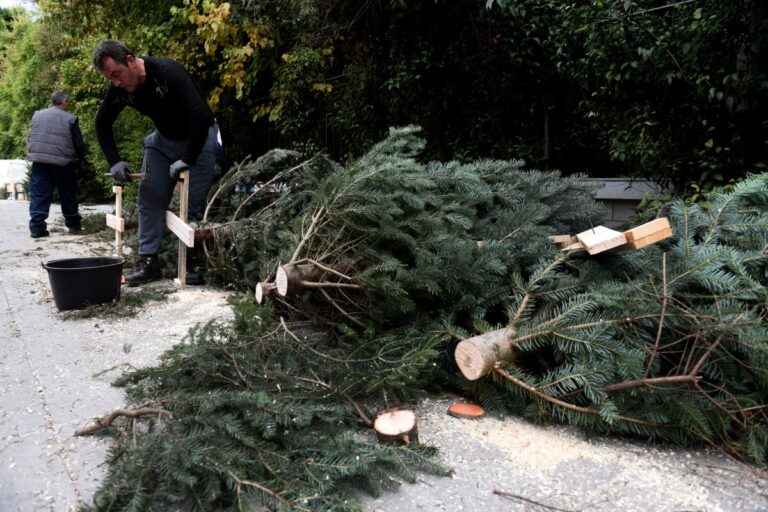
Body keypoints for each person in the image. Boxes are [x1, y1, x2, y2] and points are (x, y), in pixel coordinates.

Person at [92, 39, 223, 286]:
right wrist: (114, 161)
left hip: (200, 137)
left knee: (191, 205)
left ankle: (189, 262)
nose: (117, 83)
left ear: (130, 60)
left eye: (117, 74)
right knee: (149, 197)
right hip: (163, 140)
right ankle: (149, 263)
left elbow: (200, 115)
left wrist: (187, 159)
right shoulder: (120, 89)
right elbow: (102, 123)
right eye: (111, 79)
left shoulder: (167, 72)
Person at [27, 91, 86, 238]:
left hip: (39, 161)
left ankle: (37, 228)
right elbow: (78, 143)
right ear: (64, 101)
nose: (69, 104)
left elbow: (32, 136)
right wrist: (81, 159)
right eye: (68, 101)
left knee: (39, 194)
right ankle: (73, 225)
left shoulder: (37, 115)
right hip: (62, 162)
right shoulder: (70, 118)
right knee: (67, 193)